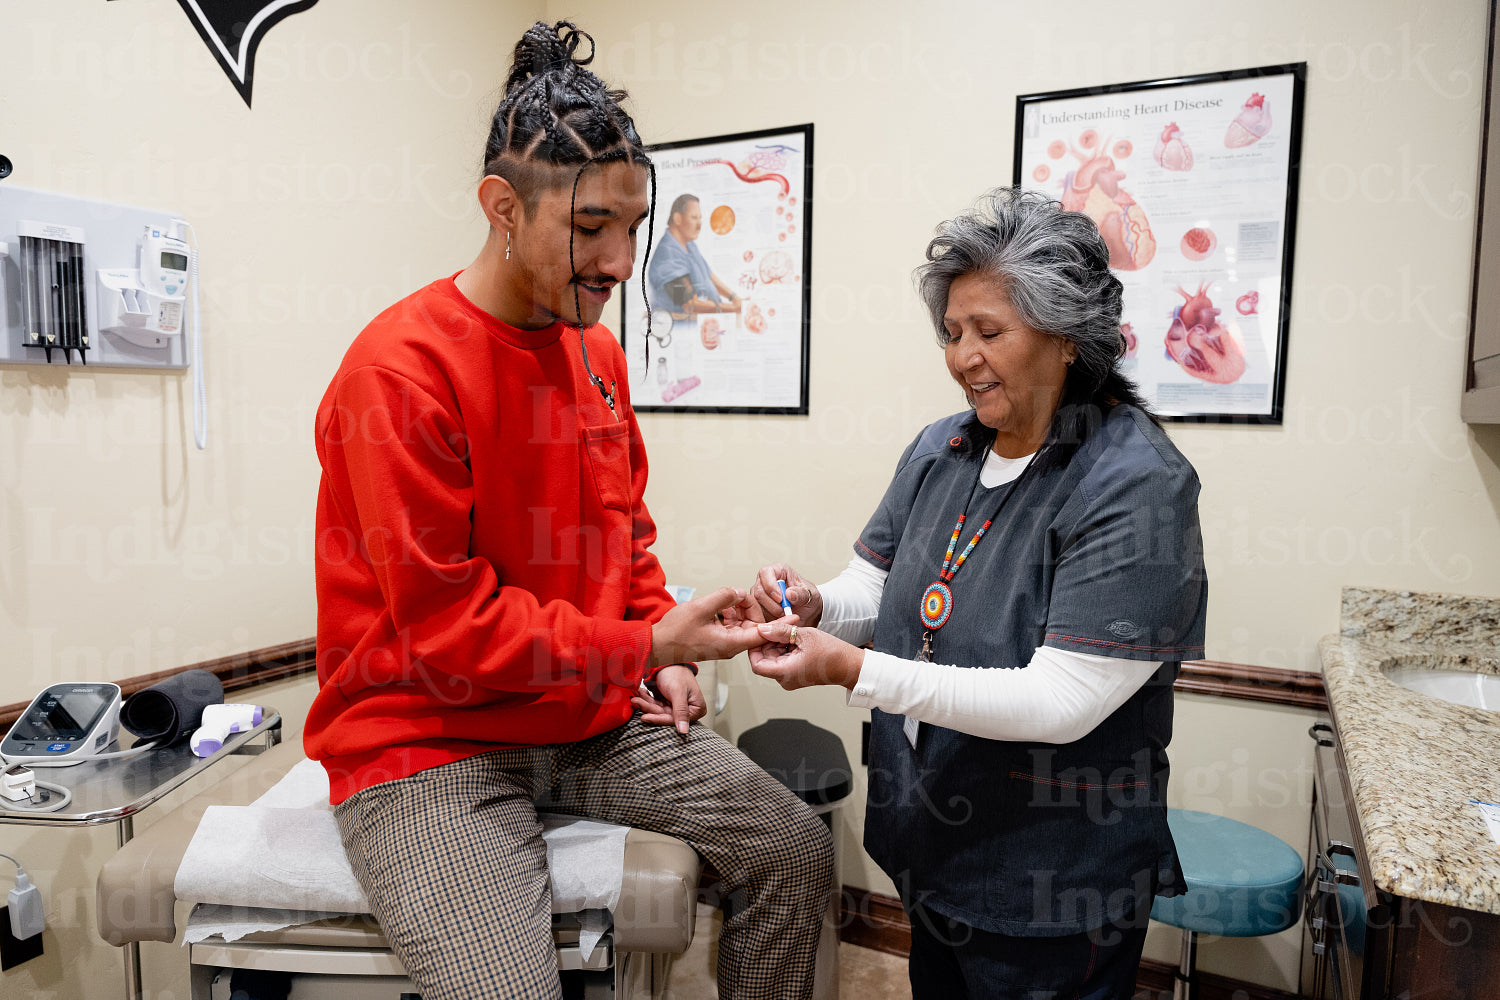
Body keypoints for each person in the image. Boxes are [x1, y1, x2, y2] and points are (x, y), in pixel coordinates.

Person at [304, 22, 832, 1000]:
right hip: (426, 742)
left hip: (583, 717)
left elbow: (623, 532)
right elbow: (445, 629)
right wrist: (641, 649)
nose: (623, 261)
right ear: (503, 207)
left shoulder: (598, 359)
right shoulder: (399, 375)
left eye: (635, 227)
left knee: (793, 846)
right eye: (591, 229)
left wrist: (656, 645)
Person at [747, 187, 1207, 998]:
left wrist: (855, 671)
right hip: (935, 850)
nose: (963, 357)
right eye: (954, 333)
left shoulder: (1134, 484)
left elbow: (1061, 701)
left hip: (1051, 884)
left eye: (990, 332)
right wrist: (819, 605)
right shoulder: (943, 448)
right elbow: (880, 585)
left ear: (1066, 337)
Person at [647, 193, 744, 316]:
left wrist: (734, 298)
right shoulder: (667, 256)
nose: (699, 225)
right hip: (680, 328)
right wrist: (733, 309)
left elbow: (709, 276)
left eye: (700, 218)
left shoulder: (689, 244)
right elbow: (689, 304)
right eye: (694, 217)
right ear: (677, 219)